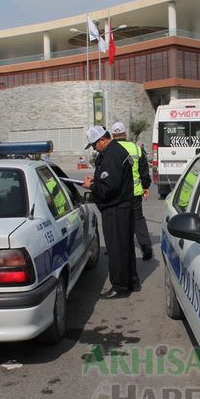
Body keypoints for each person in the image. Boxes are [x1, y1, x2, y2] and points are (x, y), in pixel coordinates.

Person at [82, 126, 140, 298]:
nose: (94, 148)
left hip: (115, 209)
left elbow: (108, 188)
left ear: (102, 140)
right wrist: (97, 178)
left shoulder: (111, 156)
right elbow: (114, 178)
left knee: (116, 249)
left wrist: (90, 186)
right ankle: (131, 282)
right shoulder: (116, 151)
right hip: (124, 206)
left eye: (94, 145)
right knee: (125, 246)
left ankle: (120, 287)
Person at [111, 122, 153, 260]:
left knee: (118, 222)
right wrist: (145, 186)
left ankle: (116, 250)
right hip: (135, 193)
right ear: (125, 134)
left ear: (113, 135)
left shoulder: (110, 150)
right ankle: (147, 250)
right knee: (138, 220)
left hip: (117, 194)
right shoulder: (136, 149)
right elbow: (144, 173)